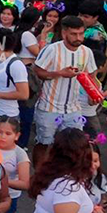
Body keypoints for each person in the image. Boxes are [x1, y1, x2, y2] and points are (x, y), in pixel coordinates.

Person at [30, 15, 96, 167]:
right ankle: (39, 176)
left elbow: (91, 76)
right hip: (49, 107)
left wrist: (93, 93)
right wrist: (59, 73)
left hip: (74, 108)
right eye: (74, 34)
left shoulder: (87, 52)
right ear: (65, 33)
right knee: (44, 144)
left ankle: (65, 177)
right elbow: (37, 72)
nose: (78, 38)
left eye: (81, 33)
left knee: (73, 146)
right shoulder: (51, 50)